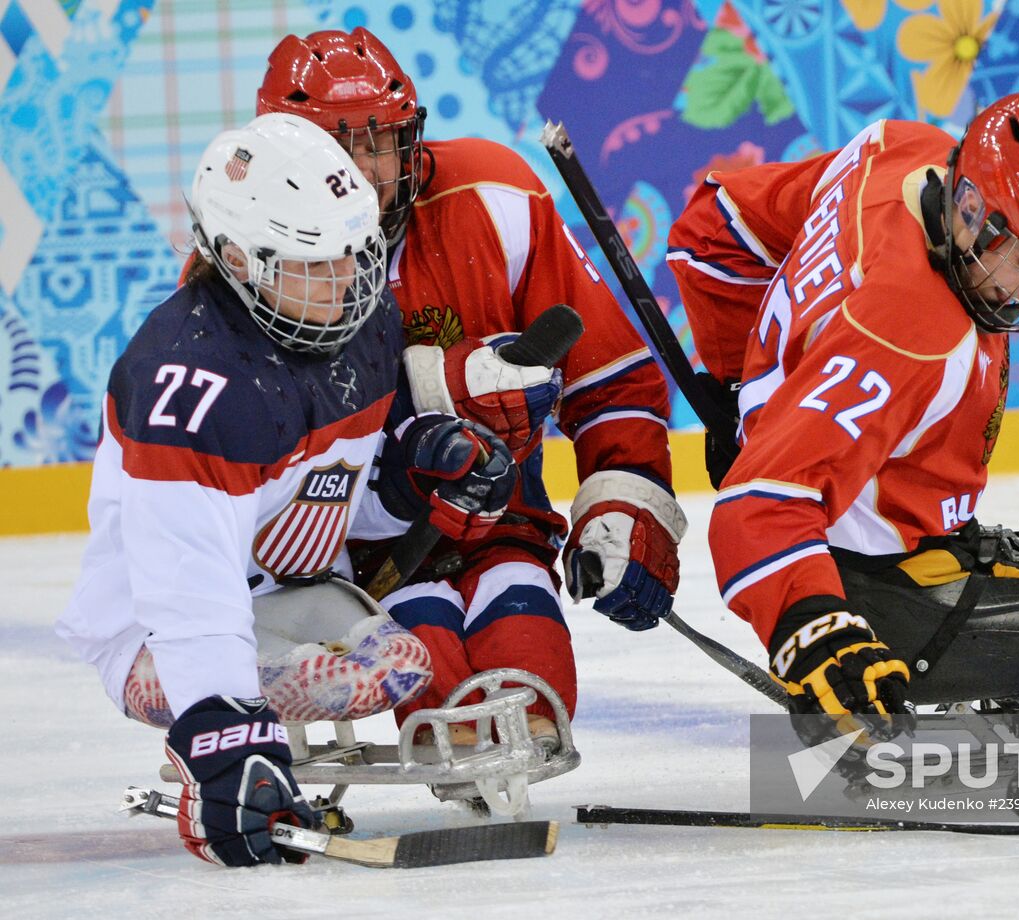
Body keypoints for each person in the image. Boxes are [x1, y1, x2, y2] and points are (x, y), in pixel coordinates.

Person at [664, 94, 1019, 733]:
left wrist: (746, 389)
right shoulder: (910, 334)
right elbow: (758, 506)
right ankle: (878, 637)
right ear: (969, 211)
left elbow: (716, 227)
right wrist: (816, 628)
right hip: (873, 587)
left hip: (857, 514)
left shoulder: (898, 152)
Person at [56, 113, 518, 867]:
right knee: (349, 676)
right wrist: (224, 736)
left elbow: (333, 506)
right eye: (316, 262)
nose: (347, 280)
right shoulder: (192, 380)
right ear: (240, 258)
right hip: (154, 632)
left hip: (272, 591)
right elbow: (187, 589)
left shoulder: (359, 322)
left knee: (399, 665)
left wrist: (416, 474)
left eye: (354, 252)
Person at [251, 28, 685, 745]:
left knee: (533, 693)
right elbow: (269, 434)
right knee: (440, 701)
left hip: (501, 525)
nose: (364, 172)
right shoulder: (250, 249)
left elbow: (612, 377)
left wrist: (625, 504)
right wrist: (443, 383)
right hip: (349, 553)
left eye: (380, 142)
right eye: (337, 149)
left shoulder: (492, 196)